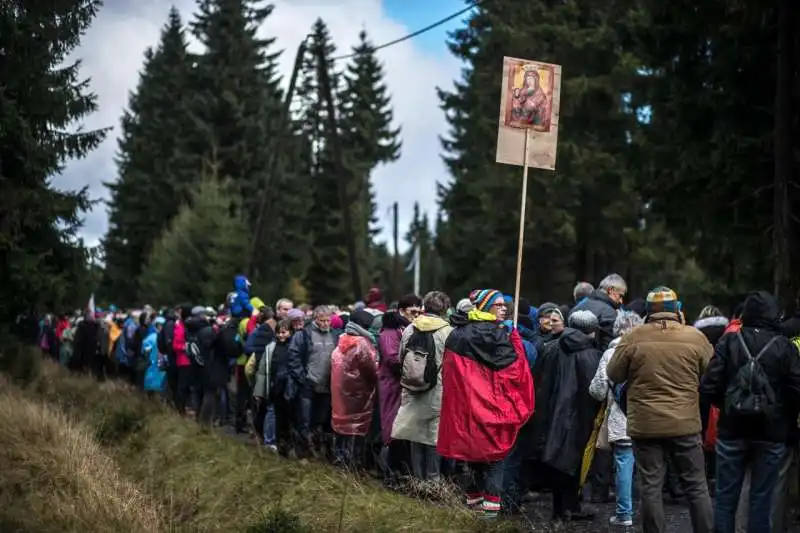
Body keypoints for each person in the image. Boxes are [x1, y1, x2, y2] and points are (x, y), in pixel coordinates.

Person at [607, 286, 714, 533]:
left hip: (646, 425)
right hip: (685, 423)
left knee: (650, 486)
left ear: (648, 310)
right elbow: (711, 373)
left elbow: (613, 373)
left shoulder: (633, 337)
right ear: (677, 309)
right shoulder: (694, 337)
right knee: (697, 485)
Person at [700, 291, 800, 533]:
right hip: (771, 432)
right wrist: (783, 417)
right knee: (762, 499)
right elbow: (796, 390)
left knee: (725, 500)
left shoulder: (729, 341)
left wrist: (727, 407)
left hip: (732, 429)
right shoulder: (784, 347)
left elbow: (708, 385)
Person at [437, 289, 534, 519]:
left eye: (504, 304)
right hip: (491, 411)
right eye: (498, 304)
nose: (504, 308)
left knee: (471, 459)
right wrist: (516, 343)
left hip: (465, 412)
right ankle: (489, 519)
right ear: (485, 306)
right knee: (494, 459)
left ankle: (472, 509)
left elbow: (451, 376)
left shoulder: (458, 333)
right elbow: (515, 373)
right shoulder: (498, 335)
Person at [531, 310, 603, 522]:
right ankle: (572, 506)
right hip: (581, 415)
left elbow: (539, 381)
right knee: (575, 460)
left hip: (552, 413)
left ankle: (559, 509)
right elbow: (594, 391)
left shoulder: (552, 348)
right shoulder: (592, 354)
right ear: (591, 330)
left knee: (556, 459)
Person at [589, 310, 644, 527]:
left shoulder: (611, 353)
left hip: (621, 419)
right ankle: (643, 510)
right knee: (648, 467)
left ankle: (624, 513)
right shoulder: (647, 350)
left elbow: (598, 390)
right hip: (646, 419)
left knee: (623, 464)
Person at [391, 291, 452, 482]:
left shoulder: (410, 328)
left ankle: (417, 479)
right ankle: (433, 480)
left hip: (411, 388)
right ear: (445, 310)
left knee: (414, 433)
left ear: (425, 307)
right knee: (434, 437)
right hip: (436, 390)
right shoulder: (447, 332)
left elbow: (401, 357)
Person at [286, 305, 340, 458]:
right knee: (304, 419)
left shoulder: (335, 335)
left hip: (327, 385)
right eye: (322, 320)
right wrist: (302, 377)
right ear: (315, 319)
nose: (325, 324)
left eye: (328, 320)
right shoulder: (304, 335)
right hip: (308, 384)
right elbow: (293, 357)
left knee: (321, 420)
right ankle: (302, 453)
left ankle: (319, 450)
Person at [377, 294, 421, 481]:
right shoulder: (390, 330)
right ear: (402, 311)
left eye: (419, 312)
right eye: (413, 312)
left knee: (402, 429)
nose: (416, 315)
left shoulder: (409, 328)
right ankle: (388, 471)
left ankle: (400, 471)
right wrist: (413, 366)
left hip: (403, 385)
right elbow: (391, 358)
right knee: (391, 428)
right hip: (391, 384)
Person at [330, 310, 380, 468]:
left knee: (341, 425)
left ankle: (339, 456)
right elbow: (372, 370)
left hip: (341, 392)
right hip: (359, 394)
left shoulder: (342, 338)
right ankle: (353, 463)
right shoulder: (362, 344)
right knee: (356, 429)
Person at [570, 273, 627, 350]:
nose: (621, 301)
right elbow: (608, 348)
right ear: (611, 290)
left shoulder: (577, 307)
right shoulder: (609, 313)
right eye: (620, 295)